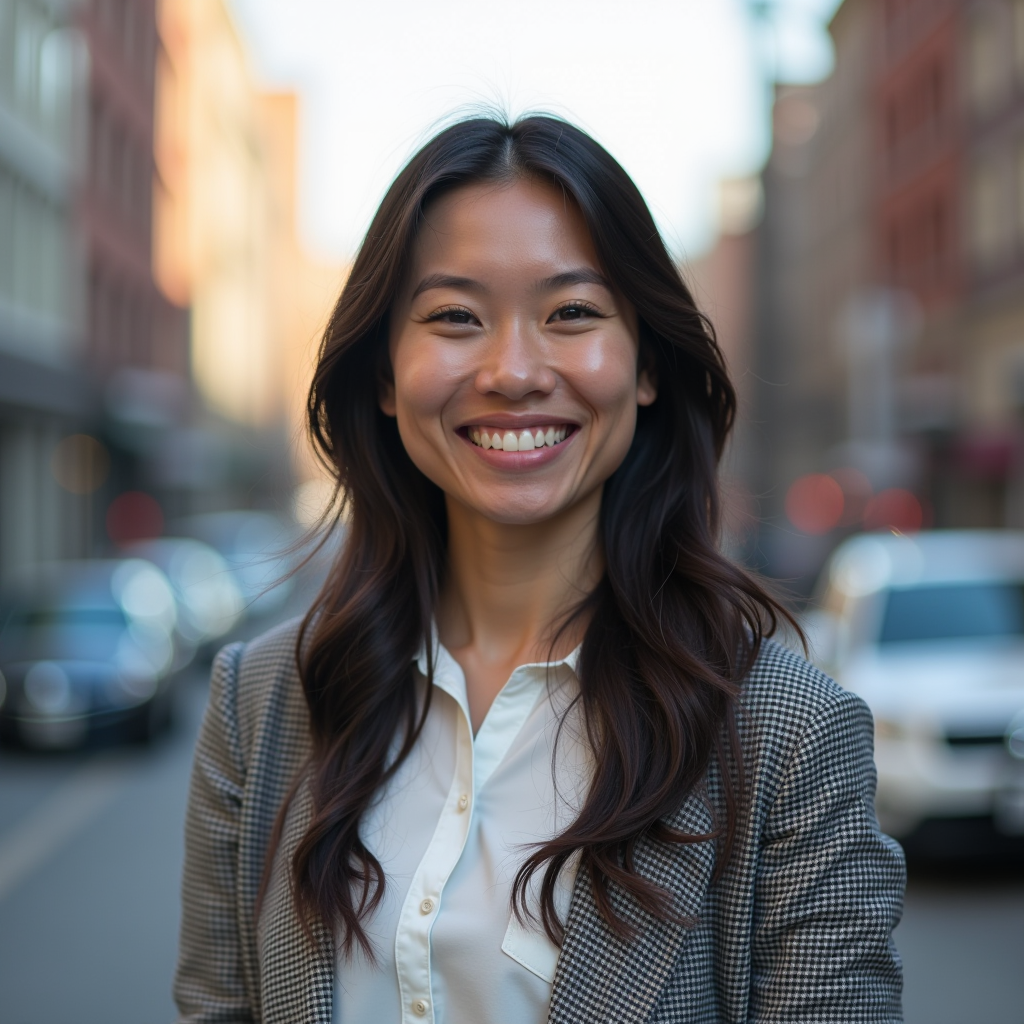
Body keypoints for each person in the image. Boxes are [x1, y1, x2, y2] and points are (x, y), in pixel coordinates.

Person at [173, 115, 904, 1024]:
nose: (514, 371)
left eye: (572, 314)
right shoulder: (262, 699)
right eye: (454, 318)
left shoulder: (789, 735)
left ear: (643, 365)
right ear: (387, 378)